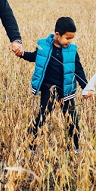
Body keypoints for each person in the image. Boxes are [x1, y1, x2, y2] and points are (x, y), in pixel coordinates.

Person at [22, 17, 88, 152]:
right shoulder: (44, 46)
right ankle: (31, 145)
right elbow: (35, 57)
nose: (70, 41)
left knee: (72, 119)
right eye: (67, 38)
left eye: (72, 38)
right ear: (57, 34)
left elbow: (78, 69)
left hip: (66, 90)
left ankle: (75, 148)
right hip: (49, 89)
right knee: (42, 116)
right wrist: (22, 54)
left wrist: (85, 86)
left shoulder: (72, 50)